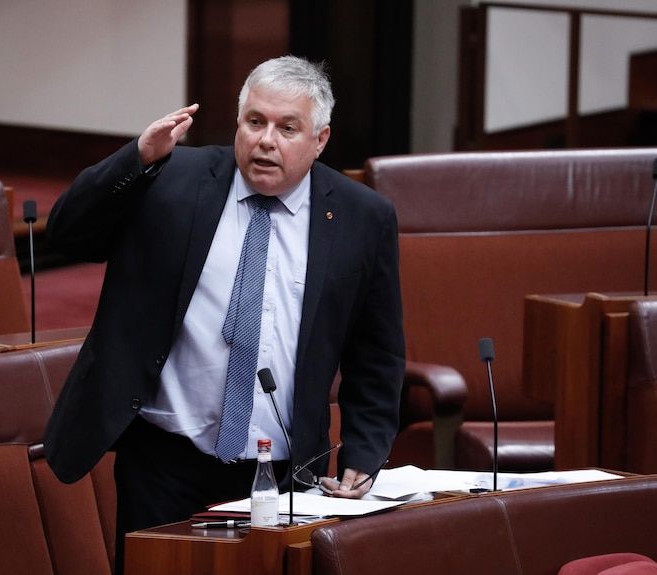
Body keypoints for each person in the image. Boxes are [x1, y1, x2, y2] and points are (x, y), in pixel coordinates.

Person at [43, 55, 405, 573]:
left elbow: (377, 351)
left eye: (287, 128)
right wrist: (137, 158)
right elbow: (68, 234)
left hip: (284, 469)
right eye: (255, 122)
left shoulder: (361, 216)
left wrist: (365, 453)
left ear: (320, 140)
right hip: (164, 457)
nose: (265, 140)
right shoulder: (173, 176)